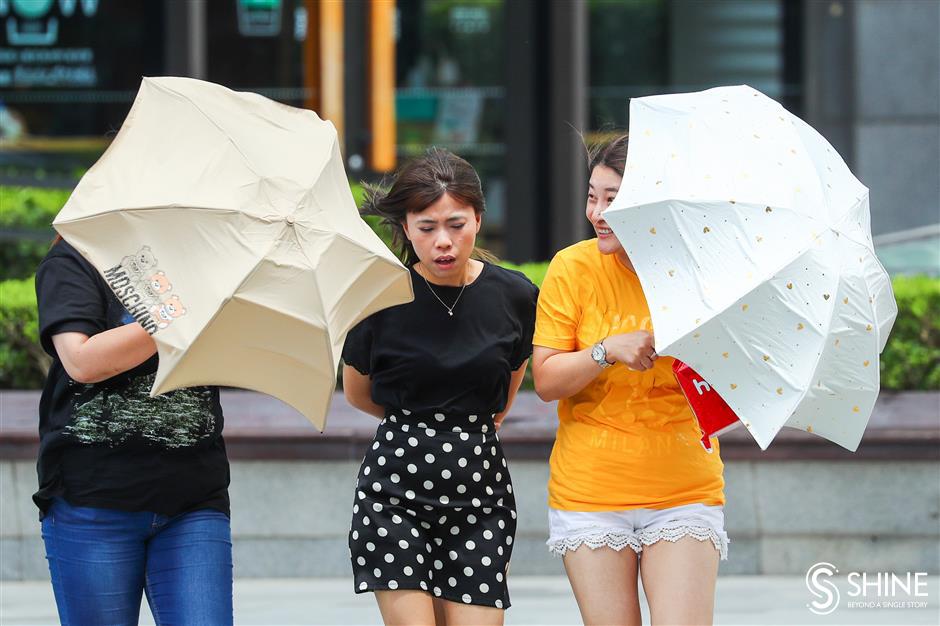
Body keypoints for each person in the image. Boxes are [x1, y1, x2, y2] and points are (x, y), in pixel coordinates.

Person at [531, 134, 728, 625]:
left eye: (612, 200)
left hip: (683, 487)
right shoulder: (571, 268)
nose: (595, 212)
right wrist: (606, 351)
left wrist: (695, 344)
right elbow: (546, 380)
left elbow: (732, 385)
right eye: (592, 196)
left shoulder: (701, 274)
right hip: (591, 490)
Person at [342, 148, 538, 625]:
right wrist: (420, 425)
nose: (443, 242)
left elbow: (507, 386)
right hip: (393, 493)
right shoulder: (378, 297)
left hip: (480, 492)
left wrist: (461, 427)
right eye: (427, 228)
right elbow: (357, 392)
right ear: (406, 228)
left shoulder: (514, 295)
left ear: (478, 218)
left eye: (456, 224)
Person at [34, 237, 232, 625]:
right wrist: (183, 310)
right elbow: (81, 361)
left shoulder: (203, 256)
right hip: (93, 500)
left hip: (194, 499)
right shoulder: (74, 258)